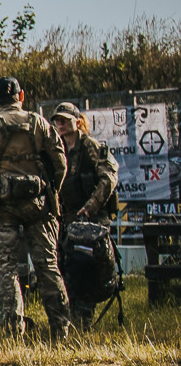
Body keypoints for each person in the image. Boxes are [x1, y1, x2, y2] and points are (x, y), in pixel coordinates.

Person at [0, 76, 72, 340]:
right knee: (47, 265)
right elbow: (61, 163)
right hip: (38, 205)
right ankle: (62, 330)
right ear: (21, 97)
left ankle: (13, 334)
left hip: (2, 207)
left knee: (5, 268)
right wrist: (51, 190)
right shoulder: (39, 122)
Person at [53, 102, 119, 325]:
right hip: (68, 221)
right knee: (66, 271)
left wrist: (89, 208)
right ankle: (72, 319)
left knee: (84, 269)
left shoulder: (90, 146)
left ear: (77, 121)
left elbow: (109, 178)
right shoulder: (58, 150)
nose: (60, 124)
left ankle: (83, 320)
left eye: (64, 119)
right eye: (57, 120)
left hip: (91, 221)